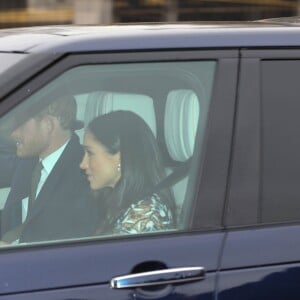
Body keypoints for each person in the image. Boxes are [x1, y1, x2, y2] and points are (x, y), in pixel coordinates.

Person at [0, 95, 97, 243]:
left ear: (48, 125)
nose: (13, 134)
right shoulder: (30, 159)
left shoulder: (85, 173)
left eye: (20, 125)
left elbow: (67, 245)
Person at [80, 110, 175, 235]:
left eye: (90, 153)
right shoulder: (116, 201)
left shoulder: (144, 217)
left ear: (120, 157)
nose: (83, 164)